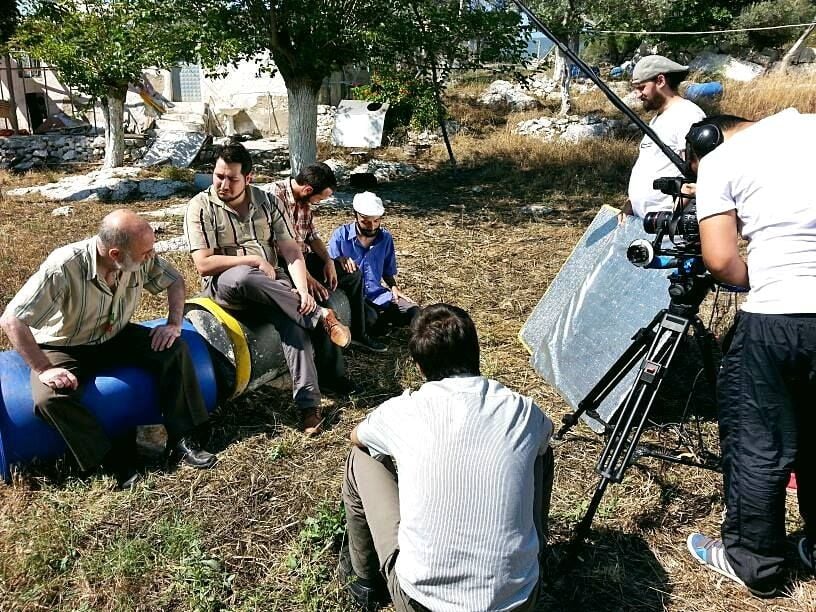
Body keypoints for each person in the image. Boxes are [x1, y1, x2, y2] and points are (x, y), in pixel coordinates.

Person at [341, 303, 554, 611]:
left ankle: (365, 581)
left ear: (419, 367)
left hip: (421, 602)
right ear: (476, 352)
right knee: (540, 449)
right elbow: (548, 432)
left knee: (361, 457)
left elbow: (357, 436)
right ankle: (537, 545)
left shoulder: (404, 411)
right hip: (517, 600)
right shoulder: (522, 411)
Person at [683, 110, 816, 597]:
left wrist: (764, 280)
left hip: (776, 318)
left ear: (708, 138)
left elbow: (720, 261)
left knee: (759, 445)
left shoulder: (721, 160)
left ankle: (755, 563)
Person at [0, 209, 217, 489]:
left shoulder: (138, 256)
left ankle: (183, 439)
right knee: (49, 399)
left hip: (114, 334)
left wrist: (174, 323)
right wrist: (44, 368)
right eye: (145, 252)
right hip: (65, 344)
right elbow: (11, 319)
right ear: (115, 254)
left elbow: (174, 280)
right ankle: (109, 458)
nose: (151, 256)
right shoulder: (64, 266)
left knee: (173, 350)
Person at [183, 143, 352, 437]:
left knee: (293, 327)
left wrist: (301, 290)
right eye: (218, 175)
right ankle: (322, 317)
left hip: (272, 285)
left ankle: (309, 407)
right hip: (227, 286)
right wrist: (253, 259)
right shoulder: (200, 206)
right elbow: (203, 263)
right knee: (245, 276)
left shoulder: (267, 202)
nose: (223, 184)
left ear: (248, 178)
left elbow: (291, 250)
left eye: (231, 178)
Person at [260, 163, 386, 353]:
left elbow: (312, 236)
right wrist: (307, 277)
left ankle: (359, 333)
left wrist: (328, 261)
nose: (317, 202)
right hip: (282, 264)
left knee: (353, 274)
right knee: (322, 297)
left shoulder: (305, 201)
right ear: (308, 190)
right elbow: (276, 247)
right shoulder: (272, 196)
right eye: (319, 198)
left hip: (304, 258)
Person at [620, 54, 705, 222]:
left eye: (641, 87)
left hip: (670, 228)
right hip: (647, 223)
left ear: (660, 81)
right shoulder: (658, 118)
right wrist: (631, 203)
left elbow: (701, 172)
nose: (637, 94)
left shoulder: (687, 115)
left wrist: (675, 213)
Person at [328, 192, 419, 337]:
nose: (372, 227)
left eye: (376, 221)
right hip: (352, 297)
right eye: (366, 222)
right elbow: (329, 270)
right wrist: (338, 260)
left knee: (413, 311)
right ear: (355, 216)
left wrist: (394, 287)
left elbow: (388, 270)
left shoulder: (385, 238)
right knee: (372, 320)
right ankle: (379, 321)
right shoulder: (341, 236)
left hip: (377, 293)